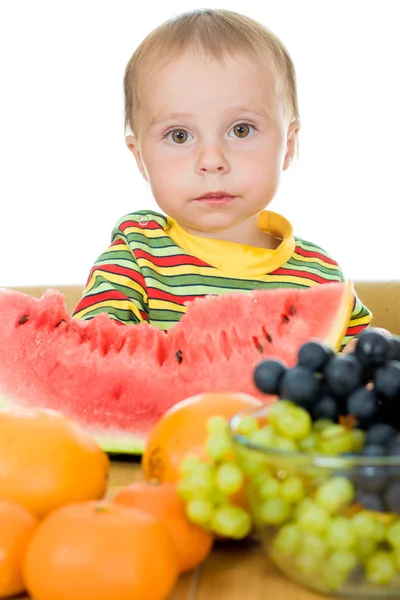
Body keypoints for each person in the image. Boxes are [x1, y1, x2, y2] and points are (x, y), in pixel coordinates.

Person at [73, 8, 371, 350]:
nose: (212, 161)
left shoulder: (321, 279)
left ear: (288, 145)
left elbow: (362, 376)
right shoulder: (135, 258)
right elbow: (90, 354)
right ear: (140, 157)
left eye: (240, 130)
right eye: (180, 136)